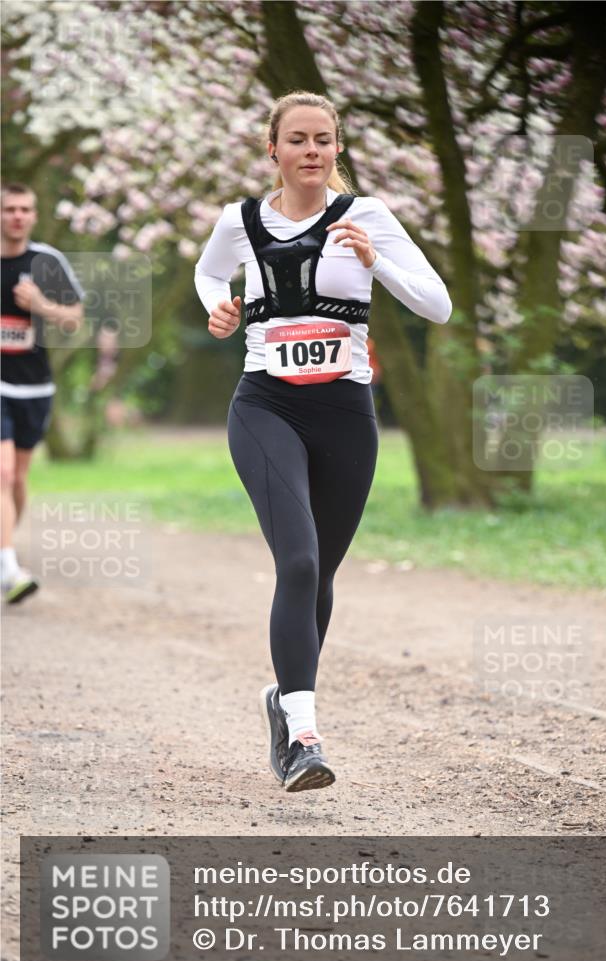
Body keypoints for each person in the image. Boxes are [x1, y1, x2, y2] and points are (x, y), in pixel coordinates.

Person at [194, 91, 451, 793]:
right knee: (299, 562)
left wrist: (379, 262)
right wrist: (216, 306)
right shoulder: (239, 221)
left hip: (345, 411)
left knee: (322, 574)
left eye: (324, 140)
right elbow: (211, 271)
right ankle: (304, 738)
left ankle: (284, 700)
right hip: (265, 405)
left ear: (337, 148)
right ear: (271, 149)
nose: (312, 151)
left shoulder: (367, 216)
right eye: (298, 139)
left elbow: (437, 303)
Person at [1, 183, 84, 603]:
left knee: (18, 478)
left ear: (33, 215)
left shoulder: (46, 262)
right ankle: (9, 571)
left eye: (25, 209)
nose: (17, 216)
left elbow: (74, 319)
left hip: (34, 386)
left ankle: (4, 552)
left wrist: (40, 305)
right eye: (9, 209)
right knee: (2, 474)